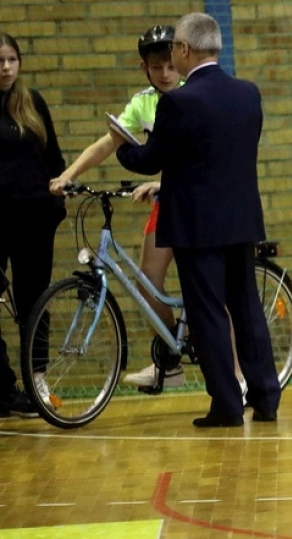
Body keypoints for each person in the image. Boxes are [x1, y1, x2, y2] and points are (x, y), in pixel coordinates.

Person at [115, 12, 281, 428]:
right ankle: (266, 398)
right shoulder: (249, 94)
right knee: (246, 309)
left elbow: (151, 158)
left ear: (185, 50)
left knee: (208, 314)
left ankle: (226, 405)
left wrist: (123, 146)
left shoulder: (179, 102)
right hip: (241, 221)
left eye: (174, 50)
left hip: (195, 226)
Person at [49, 25, 194, 389]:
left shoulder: (194, 95)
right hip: (168, 204)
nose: (165, 74)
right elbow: (107, 144)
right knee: (147, 284)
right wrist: (67, 174)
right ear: (143, 67)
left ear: (181, 60)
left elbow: (203, 157)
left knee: (206, 285)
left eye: (170, 66)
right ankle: (171, 357)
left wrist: (164, 182)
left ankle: (231, 366)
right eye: (156, 67)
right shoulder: (143, 102)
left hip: (197, 202)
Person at [0, 32, 66, 419]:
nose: (5, 67)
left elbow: (53, 158)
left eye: (11, 59)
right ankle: (3, 386)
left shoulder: (32, 102)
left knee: (34, 302)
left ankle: (36, 379)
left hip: (34, 218)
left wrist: (56, 202)